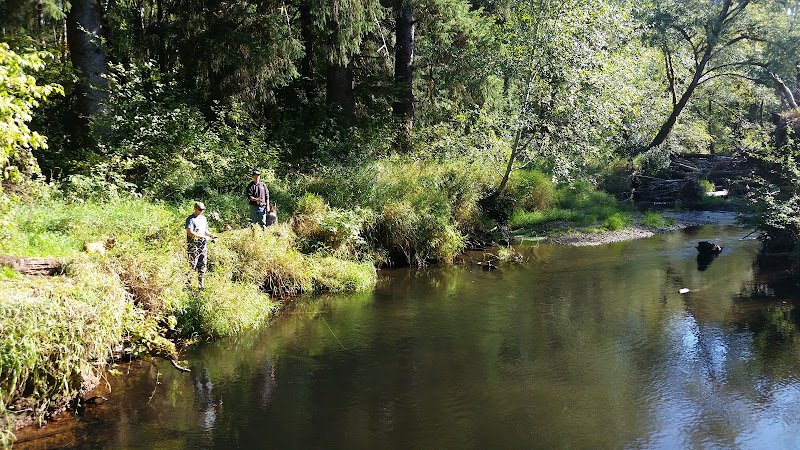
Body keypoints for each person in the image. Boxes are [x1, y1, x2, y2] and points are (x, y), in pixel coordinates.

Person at [186, 201, 217, 289]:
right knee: (192, 265)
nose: (201, 211)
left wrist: (211, 235)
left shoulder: (203, 219)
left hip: (203, 246)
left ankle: (201, 286)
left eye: (202, 210)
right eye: (200, 209)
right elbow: (190, 232)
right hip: (193, 246)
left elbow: (205, 230)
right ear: (195, 209)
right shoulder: (190, 219)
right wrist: (202, 236)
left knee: (202, 266)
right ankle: (187, 285)